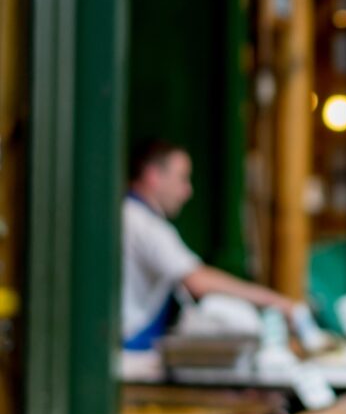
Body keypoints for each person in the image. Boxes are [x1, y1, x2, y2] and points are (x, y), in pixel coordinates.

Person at [122, 138, 299, 350]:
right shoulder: (142, 222)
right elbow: (198, 281)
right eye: (182, 179)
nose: (187, 192)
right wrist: (280, 303)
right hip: (128, 349)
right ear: (153, 176)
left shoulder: (131, 215)